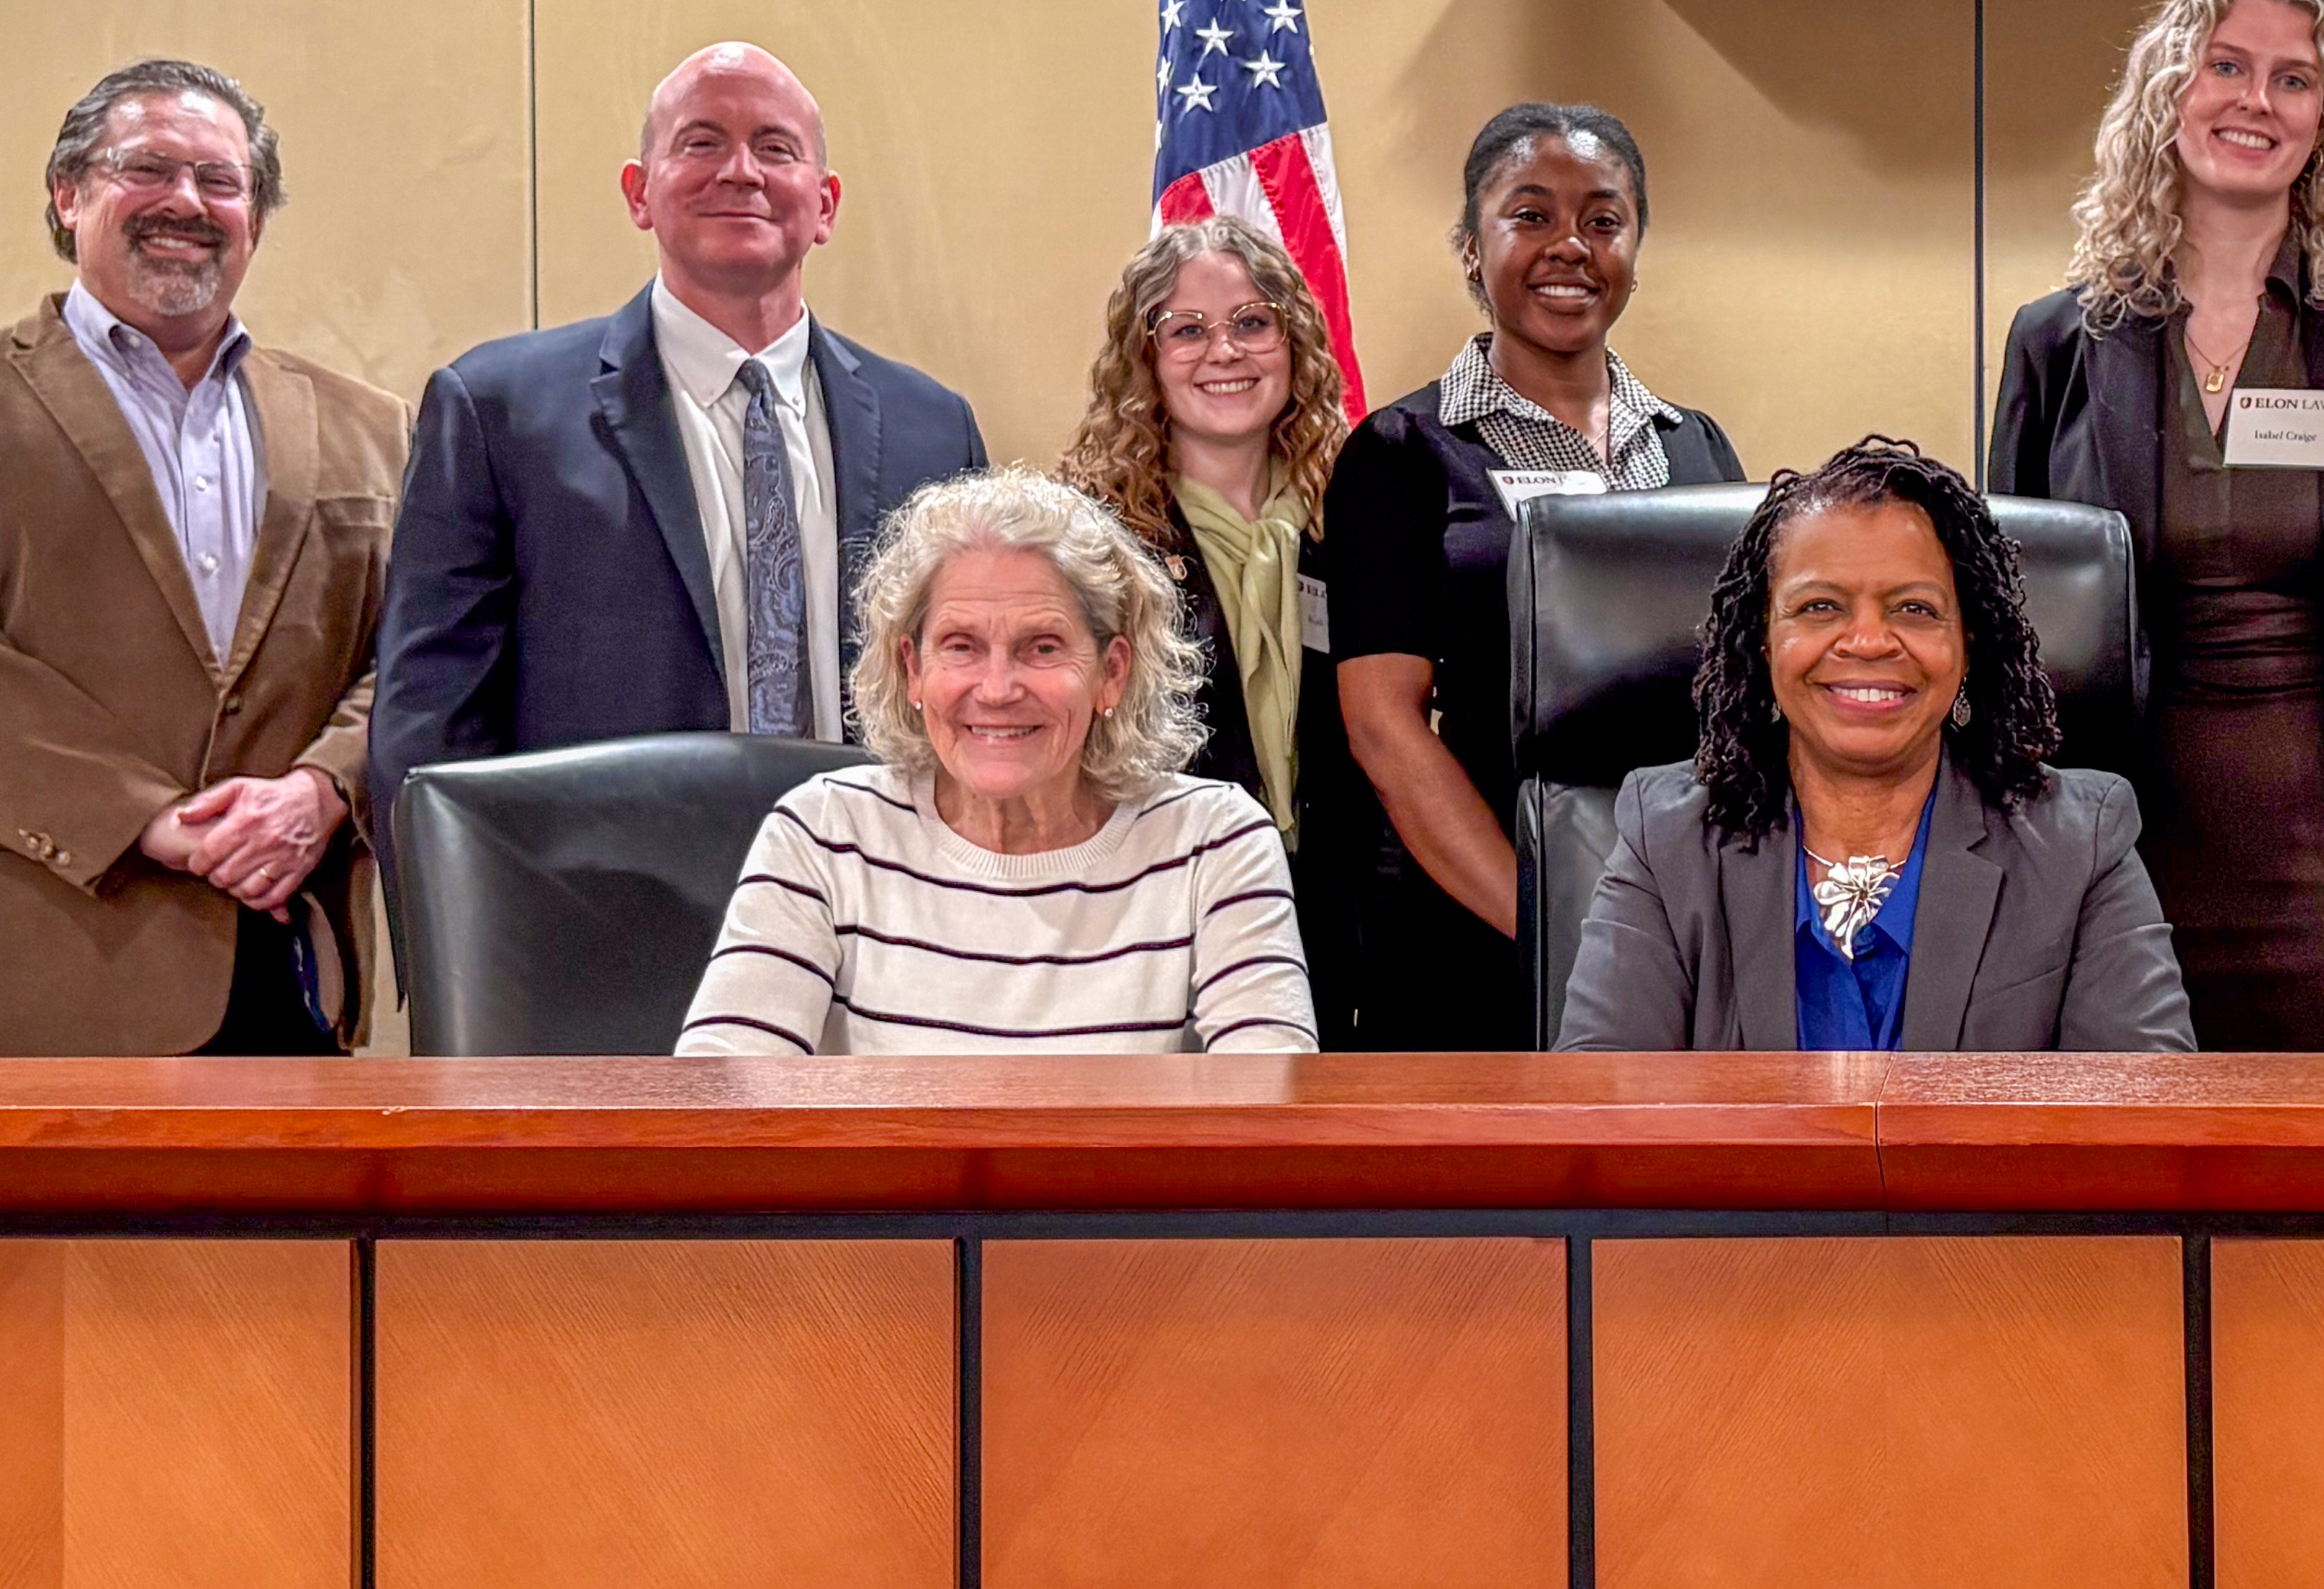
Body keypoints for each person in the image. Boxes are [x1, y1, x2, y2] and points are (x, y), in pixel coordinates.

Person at [0, 58, 406, 1054]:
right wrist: (150, 820)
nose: (187, 200)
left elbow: (412, 656)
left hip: (290, 965)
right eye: (147, 167)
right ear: (68, 192)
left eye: (221, 181)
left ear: (254, 219)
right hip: (28, 971)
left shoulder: (375, 427)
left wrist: (320, 793)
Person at [1989, 0, 2324, 1050]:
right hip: (2124, 855)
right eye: (2228, 66)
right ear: (2170, 88)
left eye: (2294, 79)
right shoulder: (2057, 342)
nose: (2256, 102)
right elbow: (2015, 618)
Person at [369, 42, 988, 914]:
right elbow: (428, 725)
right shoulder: (497, 411)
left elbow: (979, 697)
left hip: (889, 925)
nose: (741, 172)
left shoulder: (934, 427)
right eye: (701, 143)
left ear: (825, 204)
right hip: (597, 933)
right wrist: (457, 957)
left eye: (776, 148)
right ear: (639, 192)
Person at [1319, 102, 1741, 1049]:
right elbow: (1385, 731)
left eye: (1603, 219)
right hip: (1479, 939)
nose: (1571, 246)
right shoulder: (1400, 454)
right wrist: (1560, 930)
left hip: (1689, 931)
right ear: (1472, 246)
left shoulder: (1699, 449)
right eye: (1531, 215)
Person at [1559, 438, 2194, 1053]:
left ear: (1968, 642)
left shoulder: (2080, 842)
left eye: (1914, 609)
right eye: (1819, 607)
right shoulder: (1667, 838)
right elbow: (1601, 1117)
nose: (1867, 642)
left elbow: (2142, 1124)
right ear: (1763, 639)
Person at [677, 467, 1312, 1055]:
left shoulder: (1214, 839)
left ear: (1111, 674)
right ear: (913, 668)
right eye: (961, 646)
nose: (999, 688)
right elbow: (722, 1102)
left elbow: (1265, 1118)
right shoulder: (825, 833)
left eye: (1042, 646)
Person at [1058, 215, 1364, 1034]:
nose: (1224, 353)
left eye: (1252, 324)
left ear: (1293, 343)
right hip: (1151, 927)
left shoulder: (1355, 518)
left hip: (1341, 923)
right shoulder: (1091, 540)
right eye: (1186, 330)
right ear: (1144, 359)